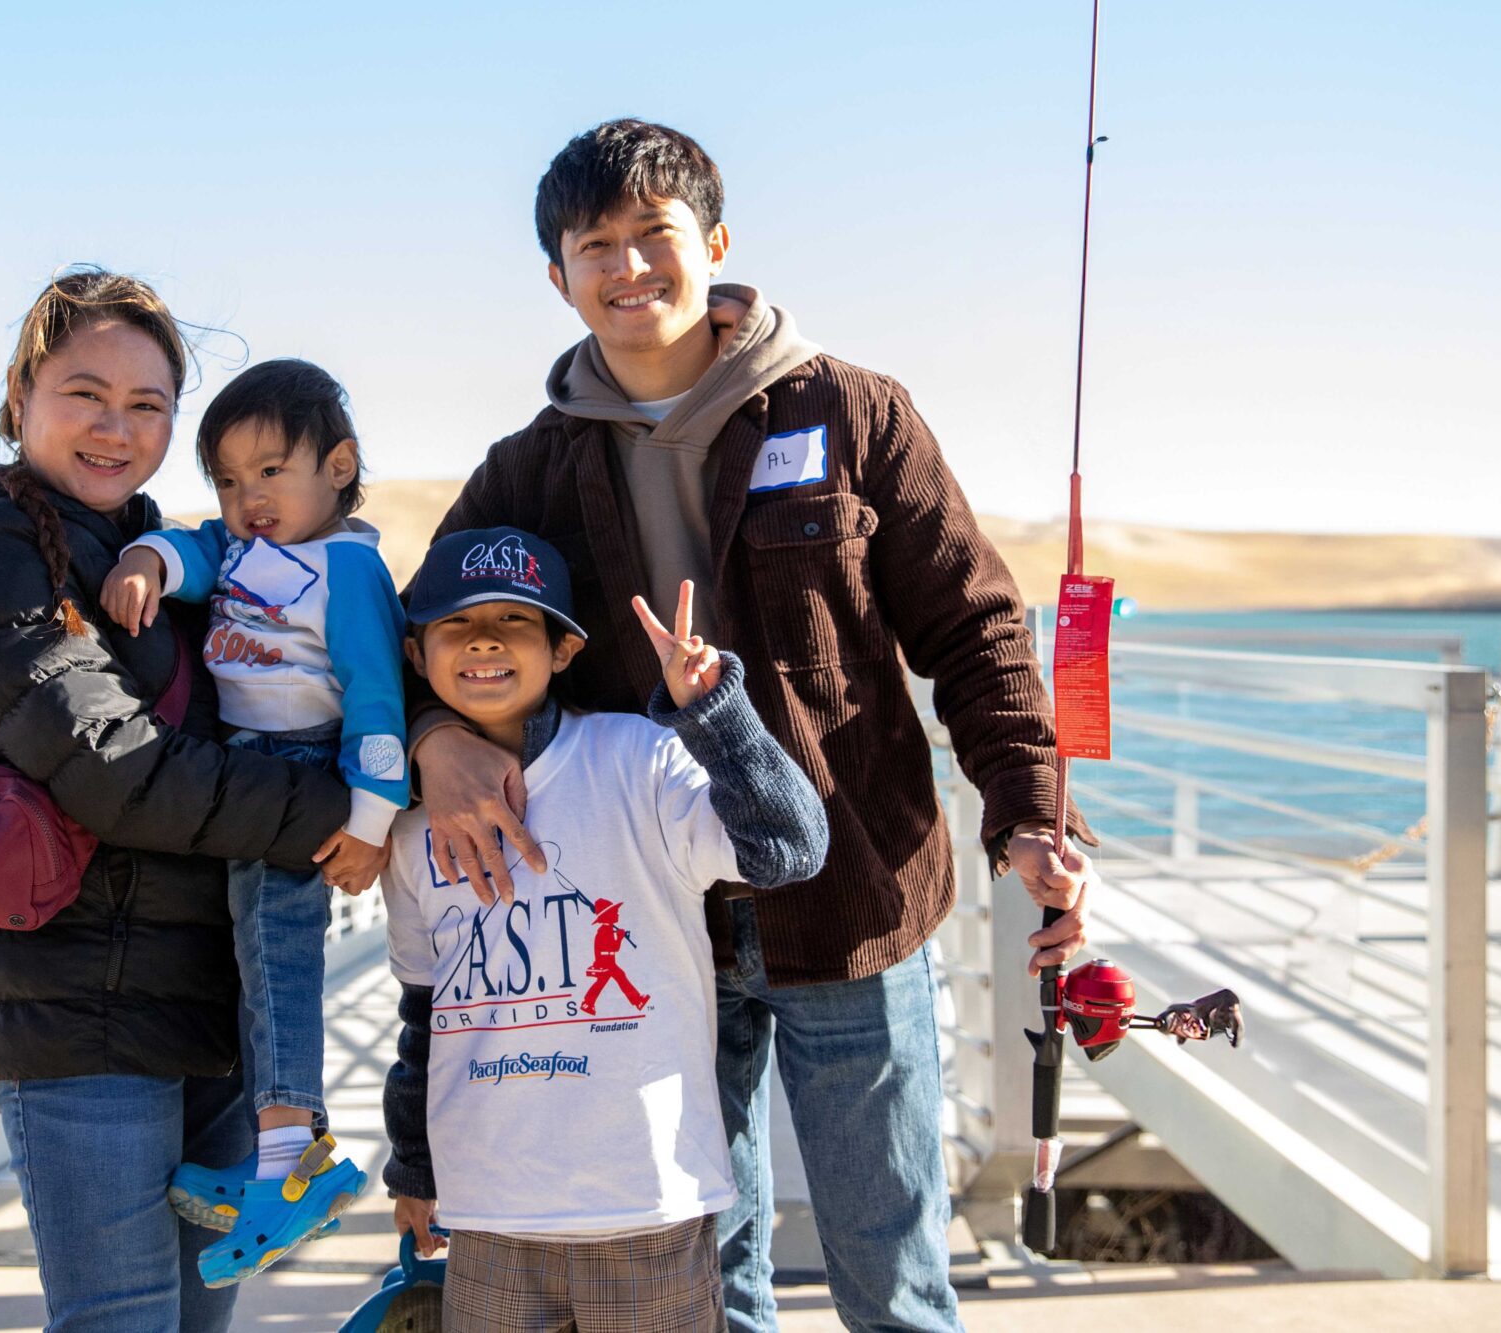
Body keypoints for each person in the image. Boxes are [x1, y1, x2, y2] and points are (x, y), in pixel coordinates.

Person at [407, 120, 1099, 1332]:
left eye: (653, 236)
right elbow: (425, 629)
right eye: (595, 246)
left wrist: (1027, 814)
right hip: (651, 921)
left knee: (891, 1268)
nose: (628, 269)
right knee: (704, 1273)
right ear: (555, 275)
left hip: (856, 905)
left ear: (714, 243)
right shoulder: (526, 469)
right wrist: (431, 736)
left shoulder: (850, 411)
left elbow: (975, 629)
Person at [0, 267, 351, 1333]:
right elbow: (113, 767)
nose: (116, 427)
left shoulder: (166, 549)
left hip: (210, 1005)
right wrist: (346, 818)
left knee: (200, 1322)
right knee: (120, 1319)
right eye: (84, 394)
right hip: (81, 1016)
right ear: (20, 395)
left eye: (147, 405)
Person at [379, 528, 828, 1332]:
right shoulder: (412, 830)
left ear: (564, 648)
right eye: (456, 623)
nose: (483, 638)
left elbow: (792, 848)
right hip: (486, 1216)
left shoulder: (641, 763)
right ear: (416, 654)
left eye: (515, 620)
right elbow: (424, 1017)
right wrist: (413, 1166)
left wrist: (712, 711)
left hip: (644, 1203)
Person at [99, 359, 402, 1286]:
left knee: (278, 960)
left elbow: (378, 698)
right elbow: (194, 551)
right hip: (246, 773)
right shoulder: (241, 550)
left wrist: (371, 822)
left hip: (302, 773)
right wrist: (145, 557)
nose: (247, 497)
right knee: (252, 963)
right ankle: (282, 1152)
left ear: (339, 465)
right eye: (228, 479)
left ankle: (288, 1170)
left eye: (270, 471)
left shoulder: (346, 566)